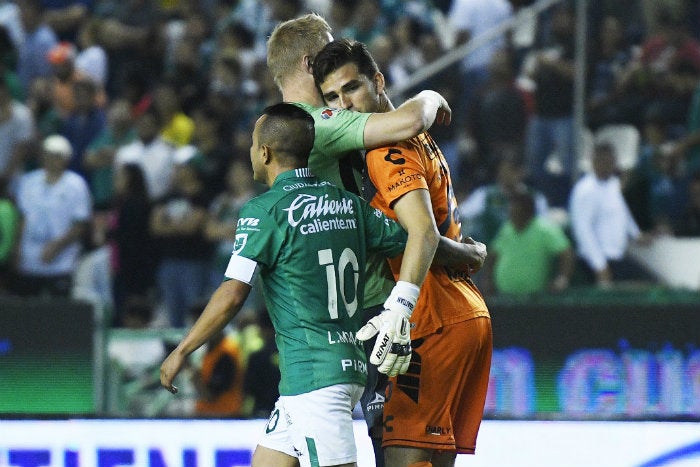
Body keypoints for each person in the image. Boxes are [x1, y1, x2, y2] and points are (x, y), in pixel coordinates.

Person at [267, 15, 482, 466]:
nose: (341, 102)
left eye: (349, 88)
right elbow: (405, 121)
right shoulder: (319, 124)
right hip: (368, 310)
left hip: (351, 315)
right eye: (331, 87)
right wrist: (430, 95)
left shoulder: (294, 130)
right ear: (310, 64)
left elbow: (404, 232)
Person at [160, 103, 410, 467]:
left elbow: (232, 294)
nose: (249, 152)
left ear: (265, 152)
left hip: (315, 380)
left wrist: (183, 350)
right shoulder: (349, 203)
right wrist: (459, 250)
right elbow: (413, 239)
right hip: (329, 372)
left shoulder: (265, 211)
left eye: (251, 144)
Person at [12, 134, 92, 297]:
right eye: (47, 154)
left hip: (61, 263)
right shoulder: (28, 181)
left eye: (56, 156)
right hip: (29, 261)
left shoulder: (76, 185)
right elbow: (22, 218)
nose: (50, 160)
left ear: (65, 159)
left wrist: (56, 246)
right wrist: (17, 249)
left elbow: (80, 224)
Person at [569, 142, 655, 288]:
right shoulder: (585, 190)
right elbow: (583, 230)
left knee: (653, 287)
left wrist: (636, 234)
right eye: (603, 161)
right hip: (597, 261)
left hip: (617, 257)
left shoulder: (613, 184)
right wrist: (599, 265)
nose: (607, 165)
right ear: (594, 161)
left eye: (610, 162)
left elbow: (622, 213)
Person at [483, 187, 574, 296]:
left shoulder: (545, 229)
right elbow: (493, 255)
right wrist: (488, 280)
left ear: (527, 210)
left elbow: (566, 254)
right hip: (504, 298)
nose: (511, 211)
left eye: (515, 207)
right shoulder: (507, 229)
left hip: (534, 301)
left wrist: (562, 279)